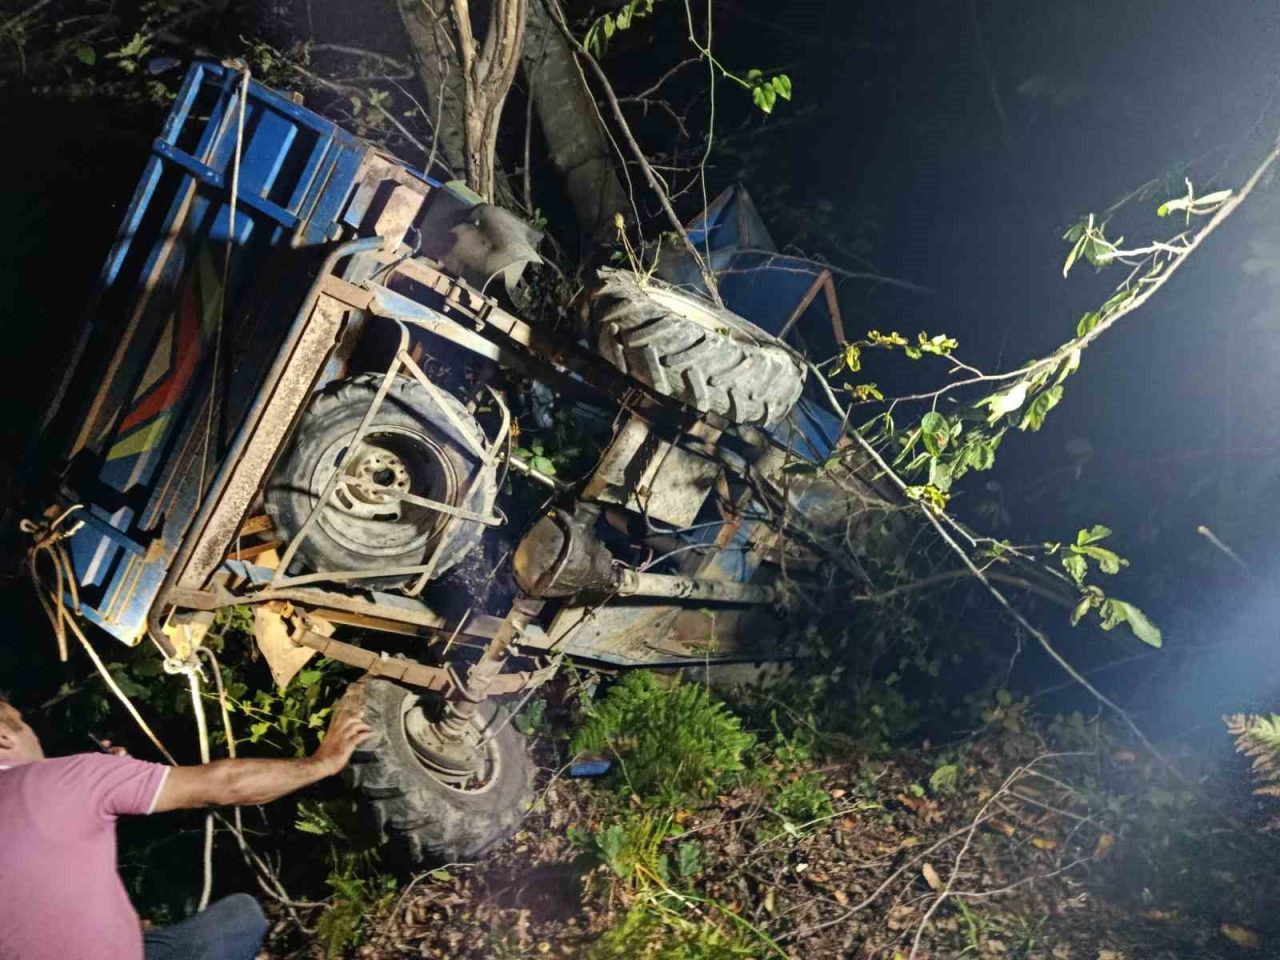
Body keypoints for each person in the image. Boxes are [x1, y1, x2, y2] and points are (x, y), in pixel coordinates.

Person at [0, 692, 372, 960]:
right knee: (239, 918)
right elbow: (226, 785)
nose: (35, 735)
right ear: (4, 738)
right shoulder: (69, 776)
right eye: (25, 724)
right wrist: (322, 762)